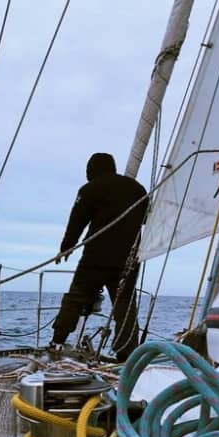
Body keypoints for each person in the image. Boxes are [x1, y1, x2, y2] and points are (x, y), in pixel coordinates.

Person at [50, 152, 147, 362]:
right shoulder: (138, 189)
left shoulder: (90, 189)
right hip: (129, 258)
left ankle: (57, 341)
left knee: (77, 297)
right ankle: (127, 353)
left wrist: (66, 248)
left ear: (92, 170)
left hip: (96, 257)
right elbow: (147, 217)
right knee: (124, 304)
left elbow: (77, 220)